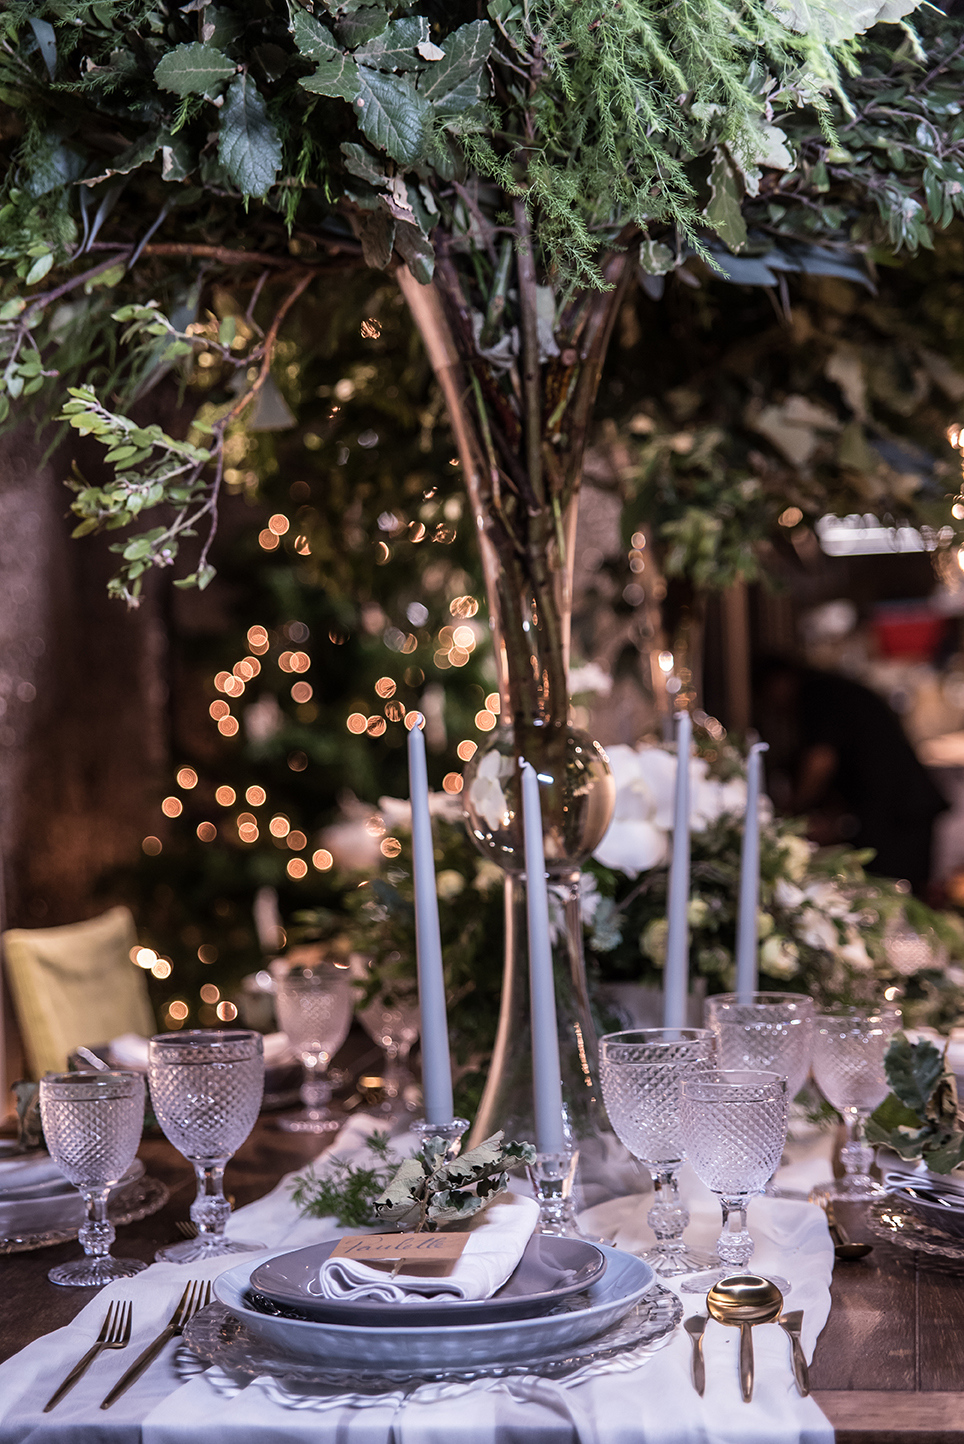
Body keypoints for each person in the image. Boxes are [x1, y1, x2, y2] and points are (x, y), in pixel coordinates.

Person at [755, 658, 947, 894]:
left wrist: (793, 814)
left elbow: (820, 761)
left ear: (780, 680)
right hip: (898, 807)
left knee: (895, 891)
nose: (774, 708)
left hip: (898, 814)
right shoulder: (833, 691)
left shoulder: (816, 693)